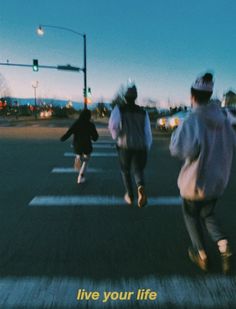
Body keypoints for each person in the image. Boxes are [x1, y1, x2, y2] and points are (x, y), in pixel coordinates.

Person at [169, 72, 236, 274]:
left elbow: (179, 150)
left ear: (193, 97)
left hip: (195, 182)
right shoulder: (224, 119)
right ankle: (223, 245)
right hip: (217, 182)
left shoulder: (193, 120)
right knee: (208, 214)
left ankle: (201, 254)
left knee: (191, 215)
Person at [108, 84, 152, 207]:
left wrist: (116, 137)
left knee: (125, 170)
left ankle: (130, 195)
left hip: (125, 145)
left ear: (125, 97)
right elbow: (147, 132)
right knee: (138, 170)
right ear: (135, 97)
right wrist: (147, 146)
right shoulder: (143, 112)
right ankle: (140, 187)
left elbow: (113, 126)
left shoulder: (119, 109)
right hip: (140, 145)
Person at [60, 109, 99, 184]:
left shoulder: (77, 123)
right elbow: (95, 137)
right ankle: (81, 176)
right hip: (87, 145)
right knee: (86, 160)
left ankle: (78, 157)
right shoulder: (90, 124)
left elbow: (69, 132)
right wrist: (93, 138)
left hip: (77, 145)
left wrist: (63, 138)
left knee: (79, 154)